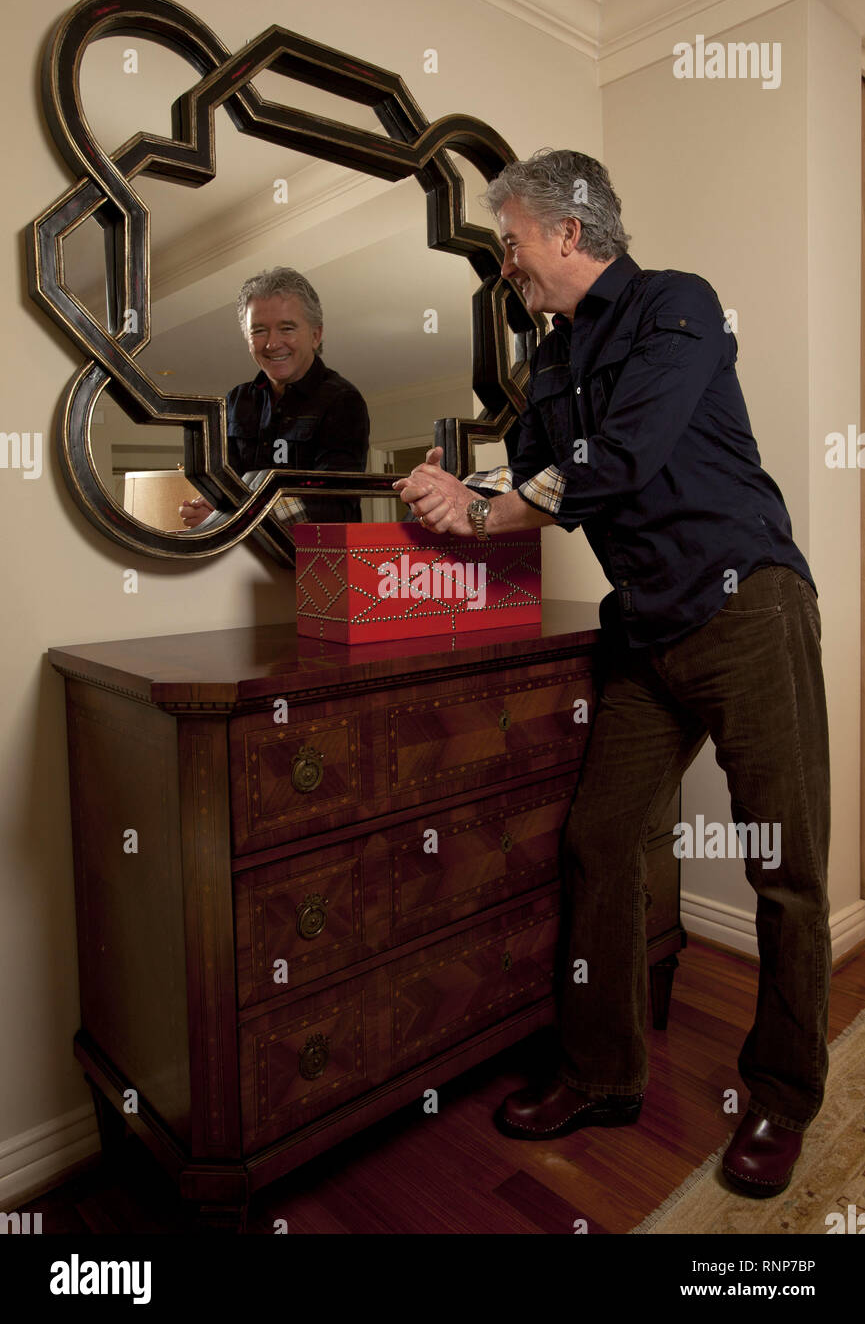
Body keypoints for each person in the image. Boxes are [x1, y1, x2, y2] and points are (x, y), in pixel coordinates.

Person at [393, 148, 830, 1200]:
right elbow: (535, 471)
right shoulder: (548, 360)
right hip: (642, 628)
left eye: (511, 242)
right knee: (598, 839)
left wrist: (487, 504)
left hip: (746, 606)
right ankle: (601, 1071)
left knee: (784, 863)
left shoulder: (679, 304)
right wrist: (458, 491)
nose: (507, 264)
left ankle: (780, 1093)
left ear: (568, 233)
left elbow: (617, 458)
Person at [180, 267, 369, 529]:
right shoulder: (236, 400)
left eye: (287, 328)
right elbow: (226, 489)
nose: (271, 343)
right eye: (258, 331)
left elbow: (331, 505)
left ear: (316, 335)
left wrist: (227, 520)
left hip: (314, 563)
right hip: (241, 561)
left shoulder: (342, 400)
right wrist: (209, 506)